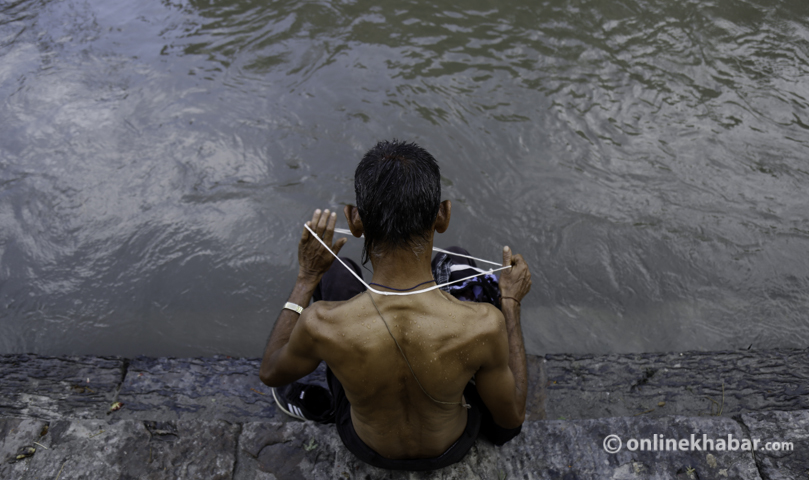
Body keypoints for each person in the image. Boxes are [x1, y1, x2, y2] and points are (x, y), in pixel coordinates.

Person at [259, 140, 532, 471]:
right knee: (458, 258)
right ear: (442, 215)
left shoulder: (322, 324)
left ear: (354, 220)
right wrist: (510, 303)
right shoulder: (483, 325)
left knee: (336, 273)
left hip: (367, 446)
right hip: (450, 446)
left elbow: (272, 372)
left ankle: (327, 407)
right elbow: (512, 417)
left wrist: (306, 279)